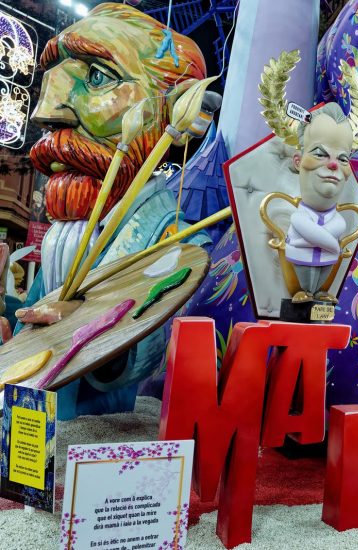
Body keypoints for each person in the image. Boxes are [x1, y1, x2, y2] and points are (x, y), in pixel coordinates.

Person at [18, 3, 210, 418]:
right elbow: (30, 317)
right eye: (52, 80)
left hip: (104, 427)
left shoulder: (175, 240)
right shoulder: (67, 230)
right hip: (32, 423)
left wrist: (83, 322)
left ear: (177, 111)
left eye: (98, 77)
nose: (45, 113)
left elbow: (153, 344)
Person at [285, 103, 354, 303]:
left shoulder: (337, 219)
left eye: (342, 159)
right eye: (320, 154)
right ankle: (305, 291)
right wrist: (333, 246)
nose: (332, 164)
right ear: (298, 161)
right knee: (305, 270)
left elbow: (332, 229)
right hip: (303, 255)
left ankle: (320, 292)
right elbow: (307, 229)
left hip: (327, 258)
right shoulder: (300, 216)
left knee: (325, 270)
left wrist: (320, 241)